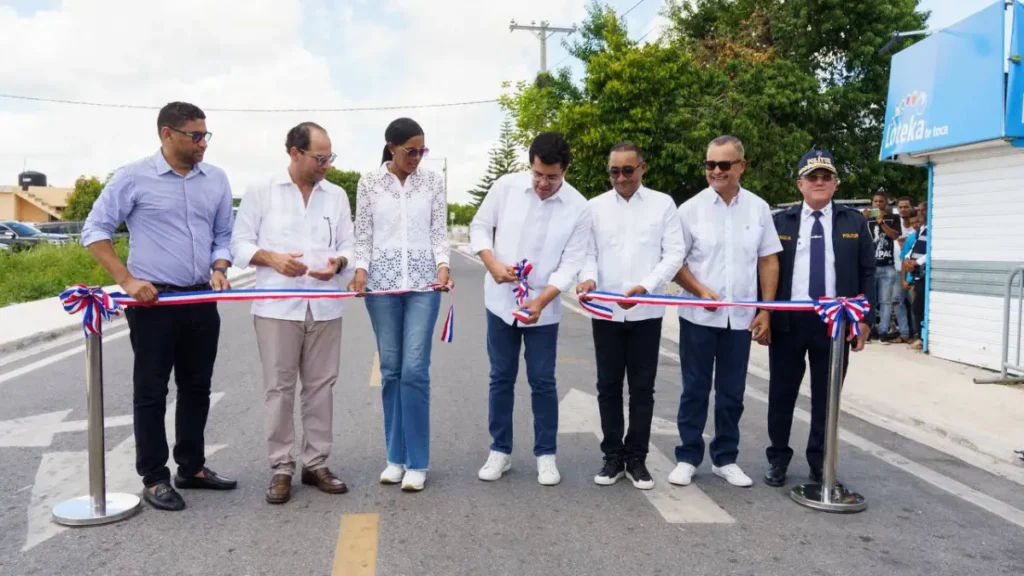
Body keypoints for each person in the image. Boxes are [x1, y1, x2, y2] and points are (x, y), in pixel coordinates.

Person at [81, 101, 236, 511]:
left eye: (206, 134)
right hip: (154, 302)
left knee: (197, 387)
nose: (203, 142)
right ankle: (154, 477)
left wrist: (220, 266)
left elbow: (223, 234)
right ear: (167, 134)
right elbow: (94, 230)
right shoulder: (133, 178)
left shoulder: (216, 179)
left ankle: (192, 467)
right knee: (151, 391)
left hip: (201, 296)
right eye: (195, 135)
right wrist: (128, 281)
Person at [230, 122, 354, 504]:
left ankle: (315, 463)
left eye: (330, 157)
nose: (327, 165)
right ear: (295, 153)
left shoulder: (335, 196)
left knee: (320, 388)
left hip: (325, 305)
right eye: (320, 157)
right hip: (277, 307)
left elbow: (350, 246)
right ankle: (281, 468)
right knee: (279, 390)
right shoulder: (261, 191)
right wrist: (272, 259)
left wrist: (338, 264)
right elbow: (239, 244)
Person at [470, 132, 591, 486]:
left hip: (543, 308)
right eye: (538, 174)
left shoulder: (578, 207)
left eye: (552, 177)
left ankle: (546, 455)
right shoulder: (506, 187)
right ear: (531, 166)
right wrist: (492, 264)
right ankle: (500, 451)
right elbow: (479, 227)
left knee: (542, 380)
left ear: (565, 170)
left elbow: (571, 263)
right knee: (500, 377)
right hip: (500, 302)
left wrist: (540, 301)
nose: (542, 183)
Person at [669, 136, 782, 488]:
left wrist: (765, 310)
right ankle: (688, 456)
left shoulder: (759, 209)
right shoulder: (689, 210)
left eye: (724, 164)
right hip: (699, 318)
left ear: (741, 166)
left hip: (741, 318)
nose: (716, 171)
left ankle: (725, 458)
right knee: (695, 389)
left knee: (732, 392)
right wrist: (699, 289)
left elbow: (768, 260)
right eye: (710, 165)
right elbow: (675, 263)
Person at [350, 118, 451, 492]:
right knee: (391, 370)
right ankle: (395, 457)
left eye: (422, 151)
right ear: (391, 147)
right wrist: (361, 270)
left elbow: (439, 231)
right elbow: (363, 233)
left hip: (424, 285)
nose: (418, 158)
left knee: (414, 370)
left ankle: (418, 462)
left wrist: (443, 265)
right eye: (411, 151)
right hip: (381, 286)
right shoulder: (369, 182)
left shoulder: (432, 182)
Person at [576, 142, 685, 490]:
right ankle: (612, 457)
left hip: (646, 310)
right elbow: (587, 252)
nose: (620, 178)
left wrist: (647, 286)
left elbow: (674, 253)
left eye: (627, 170)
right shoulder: (594, 207)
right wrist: (588, 277)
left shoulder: (662, 204)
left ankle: (637, 458)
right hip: (606, 311)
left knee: (642, 388)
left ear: (642, 168)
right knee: (607, 386)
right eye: (614, 171)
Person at [764, 150, 877, 487]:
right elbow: (766, 270)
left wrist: (866, 320)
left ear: (835, 183)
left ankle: (819, 463)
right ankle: (778, 459)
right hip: (789, 320)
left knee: (827, 397)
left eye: (826, 176)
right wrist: (765, 314)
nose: (819, 182)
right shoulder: (780, 222)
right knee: (781, 393)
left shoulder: (853, 221)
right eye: (812, 177)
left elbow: (868, 272)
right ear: (800, 184)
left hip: (836, 323)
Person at [863, 192, 901, 340]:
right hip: (870, 267)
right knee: (869, 300)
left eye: (881, 201)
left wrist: (881, 223)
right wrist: (862, 219)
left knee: (886, 301)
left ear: (886, 204)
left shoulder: (894, 218)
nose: (878, 204)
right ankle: (869, 329)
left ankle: (883, 331)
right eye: (875, 201)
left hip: (887, 266)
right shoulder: (865, 219)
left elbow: (894, 236)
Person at [902, 201, 929, 350]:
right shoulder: (921, 230)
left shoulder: (933, 229)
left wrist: (917, 262)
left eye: (923, 210)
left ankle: (921, 337)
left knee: (919, 306)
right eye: (919, 210)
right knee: (917, 307)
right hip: (917, 274)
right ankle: (919, 336)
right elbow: (912, 248)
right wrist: (907, 258)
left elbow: (931, 250)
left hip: (924, 273)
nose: (919, 213)